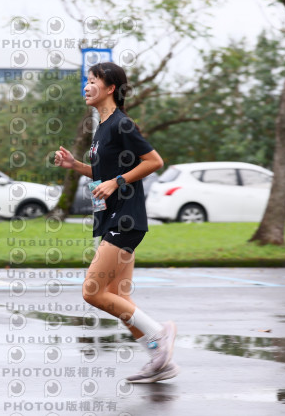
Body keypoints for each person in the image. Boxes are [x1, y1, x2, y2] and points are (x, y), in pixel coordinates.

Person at [54, 62, 178, 383]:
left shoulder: (121, 123)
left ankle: (160, 333)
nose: (86, 86)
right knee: (118, 296)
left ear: (110, 88)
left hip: (125, 218)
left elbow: (154, 161)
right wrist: (75, 165)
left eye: (93, 80)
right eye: (86, 80)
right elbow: (103, 174)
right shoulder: (102, 127)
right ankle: (159, 358)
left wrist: (117, 181)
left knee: (92, 292)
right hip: (113, 217)